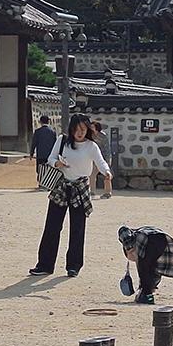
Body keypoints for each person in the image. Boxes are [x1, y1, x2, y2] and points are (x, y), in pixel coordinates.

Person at [30, 114, 111, 277]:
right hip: (61, 186)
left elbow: (100, 162)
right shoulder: (62, 140)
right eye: (76, 129)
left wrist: (107, 172)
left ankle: (74, 266)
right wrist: (56, 163)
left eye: (83, 129)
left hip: (80, 187)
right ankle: (45, 264)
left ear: (88, 129)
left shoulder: (91, 146)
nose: (79, 133)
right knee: (52, 226)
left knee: (78, 228)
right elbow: (51, 158)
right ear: (71, 129)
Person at [118, 226, 173, 305]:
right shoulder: (137, 233)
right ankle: (149, 291)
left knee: (144, 269)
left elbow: (136, 258)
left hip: (153, 241)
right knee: (153, 267)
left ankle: (147, 296)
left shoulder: (137, 239)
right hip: (163, 239)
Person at [31, 115, 57, 190]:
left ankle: (41, 184)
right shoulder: (53, 132)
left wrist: (31, 152)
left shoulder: (37, 131)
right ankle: (48, 184)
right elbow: (55, 143)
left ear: (40, 122)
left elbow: (34, 143)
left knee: (40, 169)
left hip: (41, 153)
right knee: (49, 169)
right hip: (50, 154)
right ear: (48, 121)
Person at [89, 121, 113, 200]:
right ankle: (92, 191)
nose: (91, 128)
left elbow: (107, 148)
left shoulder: (103, 136)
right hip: (94, 157)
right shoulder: (90, 135)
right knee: (92, 174)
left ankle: (107, 192)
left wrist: (107, 160)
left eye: (93, 127)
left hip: (103, 157)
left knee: (106, 175)